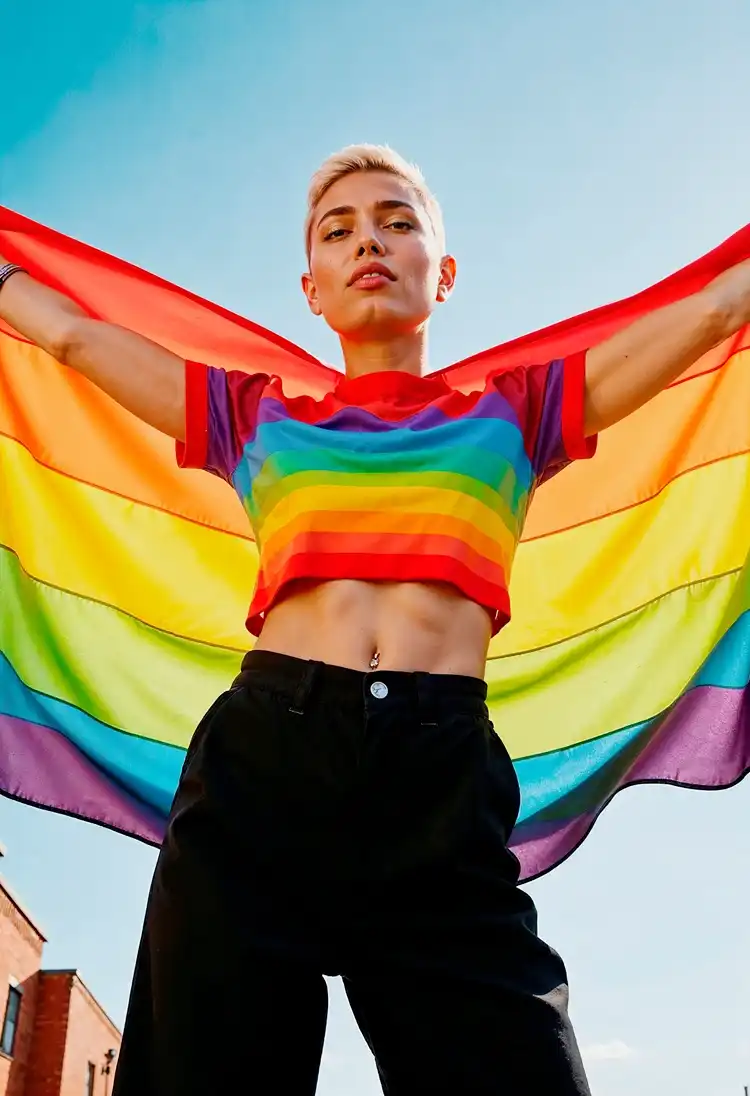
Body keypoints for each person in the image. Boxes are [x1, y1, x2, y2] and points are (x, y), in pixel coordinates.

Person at [1, 145, 748, 1096]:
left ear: (441, 273)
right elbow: (68, 338)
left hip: (438, 786)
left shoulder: (517, 413)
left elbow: (725, 306)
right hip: (261, 769)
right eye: (338, 229)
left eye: (397, 222)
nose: (369, 243)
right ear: (309, 287)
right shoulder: (253, 417)